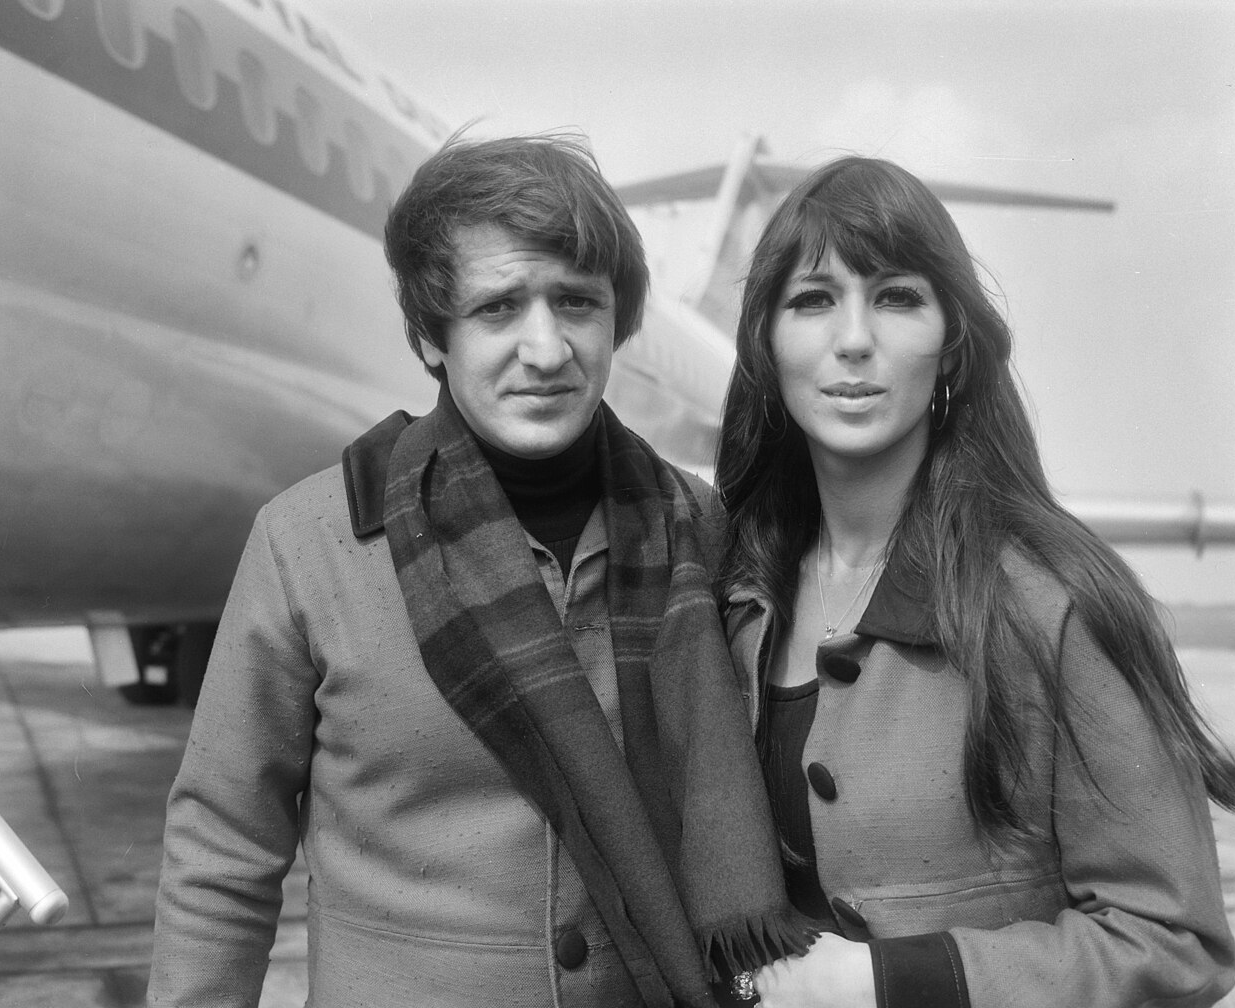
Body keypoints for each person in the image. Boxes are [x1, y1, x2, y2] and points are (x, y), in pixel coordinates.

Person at [147, 134, 814, 1007]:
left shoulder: (696, 526)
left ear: (618, 323)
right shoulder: (312, 543)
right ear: (432, 339)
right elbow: (223, 850)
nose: (546, 350)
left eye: (577, 304)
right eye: (499, 309)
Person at [714, 155, 1235, 1008]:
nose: (853, 338)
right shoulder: (728, 602)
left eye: (897, 297)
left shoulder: (1050, 605)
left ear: (952, 344)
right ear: (767, 346)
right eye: (813, 301)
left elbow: (1174, 942)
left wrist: (887, 984)